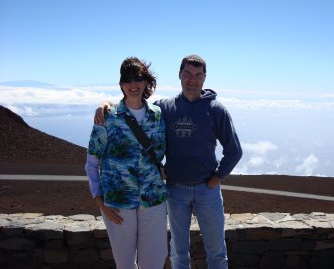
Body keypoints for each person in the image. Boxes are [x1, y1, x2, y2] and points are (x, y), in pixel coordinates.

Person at [96, 54, 242, 269]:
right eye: (187, 74)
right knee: (178, 253)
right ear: (179, 75)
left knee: (217, 252)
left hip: (206, 190)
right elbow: (135, 107)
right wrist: (105, 104)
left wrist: (217, 178)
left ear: (204, 77)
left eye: (197, 75)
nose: (192, 79)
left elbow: (234, 150)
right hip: (175, 191)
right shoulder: (165, 108)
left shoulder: (215, 110)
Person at [85, 56, 168, 269]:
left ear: (146, 82)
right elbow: (92, 163)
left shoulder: (157, 115)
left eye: (138, 78)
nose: (133, 84)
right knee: (125, 264)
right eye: (128, 79)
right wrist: (99, 201)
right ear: (121, 84)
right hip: (118, 202)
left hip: (153, 199)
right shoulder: (108, 117)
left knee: (155, 262)